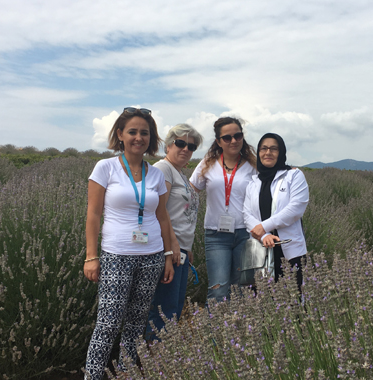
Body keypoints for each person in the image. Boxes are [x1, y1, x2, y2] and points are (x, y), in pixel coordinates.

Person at [83, 107, 177, 380]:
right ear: (120, 135)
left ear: (152, 138)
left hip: (152, 255)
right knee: (108, 323)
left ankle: (125, 373)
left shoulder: (156, 174)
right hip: (116, 254)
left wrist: (168, 255)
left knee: (136, 322)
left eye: (144, 133)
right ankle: (93, 375)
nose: (139, 137)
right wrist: (91, 256)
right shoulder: (106, 167)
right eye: (133, 131)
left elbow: (162, 217)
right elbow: (93, 214)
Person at [189, 117, 257, 302]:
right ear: (218, 141)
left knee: (242, 289)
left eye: (238, 136)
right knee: (218, 289)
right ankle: (215, 330)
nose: (233, 141)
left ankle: (241, 330)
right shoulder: (208, 163)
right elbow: (191, 190)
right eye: (227, 138)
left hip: (245, 233)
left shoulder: (252, 165)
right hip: (216, 235)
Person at [146, 124, 203, 340]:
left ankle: (161, 356)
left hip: (180, 250)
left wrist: (187, 249)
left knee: (175, 307)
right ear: (168, 145)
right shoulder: (163, 169)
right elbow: (160, 211)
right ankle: (154, 360)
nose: (186, 149)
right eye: (180, 143)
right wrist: (173, 248)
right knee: (164, 309)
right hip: (167, 249)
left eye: (191, 146)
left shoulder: (179, 173)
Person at [243, 133, 309, 288]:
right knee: (262, 298)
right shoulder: (253, 182)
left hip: (289, 247)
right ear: (258, 153)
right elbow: (247, 215)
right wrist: (264, 234)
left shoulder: (294, 175)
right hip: (261, 246)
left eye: (274, 149)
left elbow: (296, 208)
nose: (268, 153)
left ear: (281, 152)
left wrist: (263, 227)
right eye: (263, 149)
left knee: (295, 296)